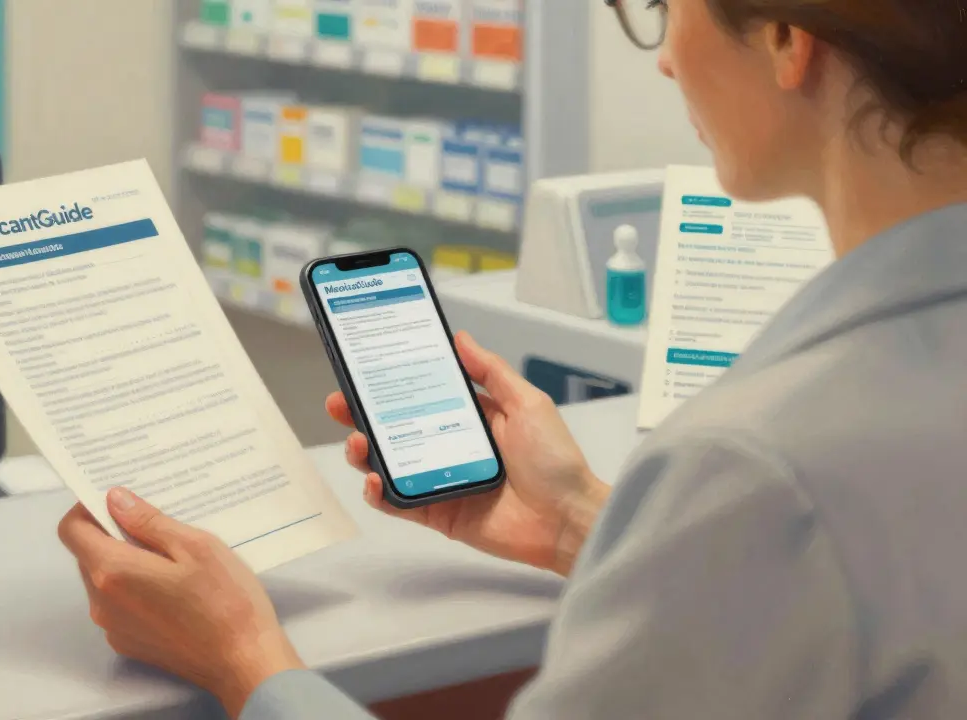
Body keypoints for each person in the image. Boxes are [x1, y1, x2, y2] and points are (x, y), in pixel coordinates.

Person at [58, 0, 967, 717]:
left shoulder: (759, 467)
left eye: (663, 8)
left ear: (783, 39)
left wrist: (243, 659)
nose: (664, 59)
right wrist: (578, 523)